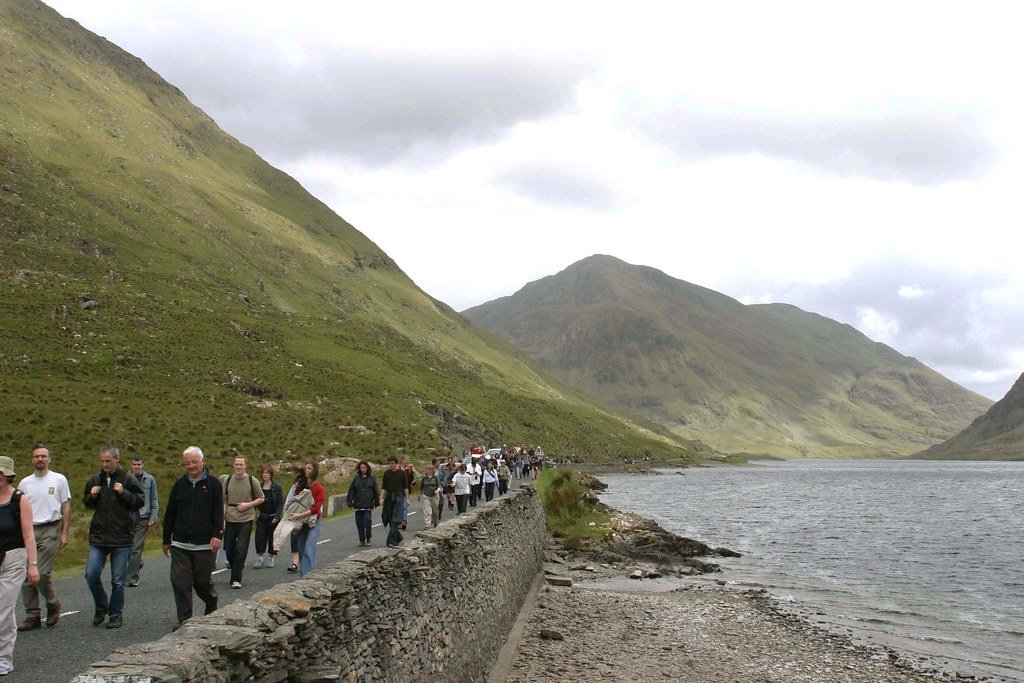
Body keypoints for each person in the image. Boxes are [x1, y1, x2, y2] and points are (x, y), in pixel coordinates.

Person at [83, 445, 144, 629]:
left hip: (121, 537)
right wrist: (91, 496)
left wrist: (123, 492)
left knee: (118, 579)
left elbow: (140, 501)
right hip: (99, 537)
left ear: (117, 460)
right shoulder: (96, 479)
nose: (105, 464)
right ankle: (101, 607)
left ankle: (116, 614)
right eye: (102, 461)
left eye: (108, 461)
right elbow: (87, 503)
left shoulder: (128, 478)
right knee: (91, 574)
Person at [163, 446, 223, 630]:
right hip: (180, 543)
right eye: (187, 462)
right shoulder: (179, 485)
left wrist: (217, 535)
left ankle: (211, 602)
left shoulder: (213, 484)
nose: (191, 466)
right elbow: (170, 513)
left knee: (202, 582)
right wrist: (166, 540)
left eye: (194, 462)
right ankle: (184, 620)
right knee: (179, 581)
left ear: (202, 461)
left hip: (205, 544)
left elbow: (218, 512)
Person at [17, 443, 69, 631]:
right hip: (30, 529)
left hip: (50, 528)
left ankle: (53, 604)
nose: (40, 459)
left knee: (42, 572)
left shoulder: (58, 479)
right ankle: (33, 615)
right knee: (27, 573)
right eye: (37, 456)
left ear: (49, 459)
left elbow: (66, 506)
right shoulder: (25, 483)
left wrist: (64, 532)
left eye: (43, 456)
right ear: (32, 459)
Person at [0, 456, 40, 676]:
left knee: (2, 610)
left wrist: (32, 565)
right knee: (5, 613)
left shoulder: (19, 499)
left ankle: (3, 660)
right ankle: (4, 657)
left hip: (14, 559)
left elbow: (28, 535)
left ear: (7, 476)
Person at [219, 455, 264, 590]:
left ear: (245, 466)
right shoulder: (227, 480)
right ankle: (236, 567)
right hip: (230, 518)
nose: (238, 467)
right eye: (236, 464)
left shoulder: (252, 480)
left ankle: (236, 578)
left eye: (241, 464)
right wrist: (223, 519)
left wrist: (248, 504)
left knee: (241, 548)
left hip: (246, 518)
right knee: (229, 548)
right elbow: (224, 501)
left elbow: (261, 498)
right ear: (233, 466)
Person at [126, 455, 158, 588]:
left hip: (143, 517)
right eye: (134, 464)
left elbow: (154, 499)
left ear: (143, 465)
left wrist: (153, 517)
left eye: (139, 464)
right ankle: (137, 563)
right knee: (125, 548)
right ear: (131, 465)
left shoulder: (149, 479)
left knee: (136, 548)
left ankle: (132, 578)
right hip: (127, 518)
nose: (137, 467)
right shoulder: (125, 478)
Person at [290, 462, 325, 577]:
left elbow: (315, 509)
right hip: (302, 522)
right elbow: (295, 500)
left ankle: (307, 577)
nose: (306, 470)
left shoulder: (319, 488)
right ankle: (305, 575)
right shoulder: (300, 486)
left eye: (309, 468)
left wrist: (298, 516)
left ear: (314, 471)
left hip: (314, 522)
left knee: (309, 548)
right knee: (301, 548)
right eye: (305, 468)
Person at [253, 466, 284, 569]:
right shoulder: (259, 486)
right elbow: (255, 501)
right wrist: (254, 512)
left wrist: (277, 516)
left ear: (271, 474)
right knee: (260, 537)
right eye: (263, 473)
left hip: (273, 516)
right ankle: (260, 559)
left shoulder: (277, 487)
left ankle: (271, 558)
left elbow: (280, 503)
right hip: (262, 516)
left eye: (267, 473)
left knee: (272, 538)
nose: (265, 475)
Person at [346, 460, 379, 546]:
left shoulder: (372, 478)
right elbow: (352, 490)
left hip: (368, 505)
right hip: (358, 505)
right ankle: (361, 539)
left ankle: (368, 538)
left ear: (367, 468)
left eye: (364, 467)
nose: (363, 469)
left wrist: (377, 501)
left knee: (367, 521)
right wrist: (349, 501)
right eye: (361, 468)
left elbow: (376, 490)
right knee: (359, 523)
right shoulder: (356, 479)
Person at [379, 456, 408, 548]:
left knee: (395, 520)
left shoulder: (402, 473)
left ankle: (390, 542)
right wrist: (381, 498)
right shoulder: (387, 473)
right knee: (388, 518)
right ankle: (398, 537)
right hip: (389, 498)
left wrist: (407, 499)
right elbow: (384, 487)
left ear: (396, 463)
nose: (391, 465)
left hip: (399, 497)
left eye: (393, 463)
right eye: (390, 463)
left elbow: (405, 487)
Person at [418, 464, 441, 528]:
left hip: (434, 495)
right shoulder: (424, 478)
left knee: (435, 511)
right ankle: (427, 525)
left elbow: (439, 486)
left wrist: (437, 491)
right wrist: (419, 495)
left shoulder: (436, 477)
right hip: (426, 495)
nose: (428, 471)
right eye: (427, 469)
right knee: (427, 511)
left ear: (433, 470)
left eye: (430, 469)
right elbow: (421, 487)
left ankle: (436, 522)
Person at [400, 456, 415, 531]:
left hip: (406, 491)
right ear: (402, 461)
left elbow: (412, 478)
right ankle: (399, 520)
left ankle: (404, 521)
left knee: (404, 506)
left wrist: (413, 482)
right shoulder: (398, 469)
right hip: (398, 491)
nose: (408, 461)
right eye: (407, 460)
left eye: (409, 460)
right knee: (398, 507)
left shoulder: (409, 470)